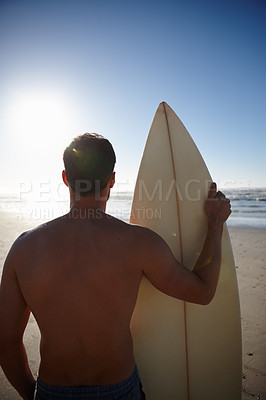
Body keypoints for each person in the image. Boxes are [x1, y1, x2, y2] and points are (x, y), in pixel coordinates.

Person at [0, 133, 231, 400]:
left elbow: (5, 341)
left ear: (65, 178)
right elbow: (202, 292)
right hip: (119, 390)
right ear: (112, 180)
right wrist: (214, 226)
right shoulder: (138, 243)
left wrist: (33, 394)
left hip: (53, 390)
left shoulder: (24, 249)